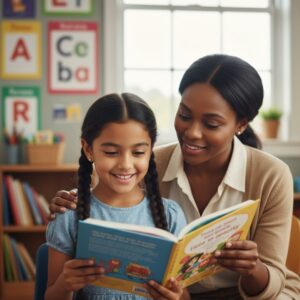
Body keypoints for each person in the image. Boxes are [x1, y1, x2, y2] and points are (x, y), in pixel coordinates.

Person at [49, 54, 300, 300]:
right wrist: (71, 199)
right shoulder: (146, 162)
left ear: (241, 125)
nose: (192, 133)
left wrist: (251, 267)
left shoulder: (271, 175)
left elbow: (273, 279)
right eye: (185, 115)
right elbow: (100, 195)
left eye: (211, 124)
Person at [45, 93, 190, 300]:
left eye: (138, 152)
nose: (125, 164)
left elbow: (184, 295)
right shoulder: (68, 215)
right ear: (88, 149)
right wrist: (65, 284)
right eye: (111, 152)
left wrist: (175, 296)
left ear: (150, 151)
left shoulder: (170, 215)